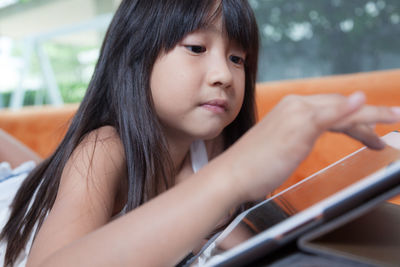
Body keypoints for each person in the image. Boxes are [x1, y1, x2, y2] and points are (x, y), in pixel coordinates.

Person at [1, 0, 400, 266]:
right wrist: (231, 175)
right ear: (135, 58)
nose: (224, 75)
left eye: (237, 58)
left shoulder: (207, 149)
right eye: (195, 48)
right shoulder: (103, 147)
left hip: (38, 186)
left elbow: (246, 245)